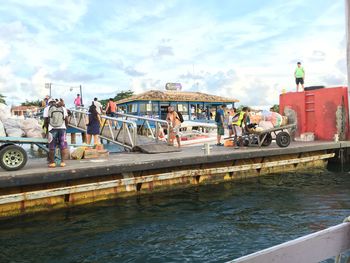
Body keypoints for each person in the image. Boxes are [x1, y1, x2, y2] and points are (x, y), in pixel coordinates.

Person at [43, 98, 69, 168]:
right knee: (63, 146)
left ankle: (52, 163)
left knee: (52, 147)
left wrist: (46, 130)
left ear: (49, 103)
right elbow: (66, 119)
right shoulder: (63, 108)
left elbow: (46, 120)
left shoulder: (47, 108)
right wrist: (65, 127)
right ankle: (63, 162)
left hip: (52, 129)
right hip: (62, 129)